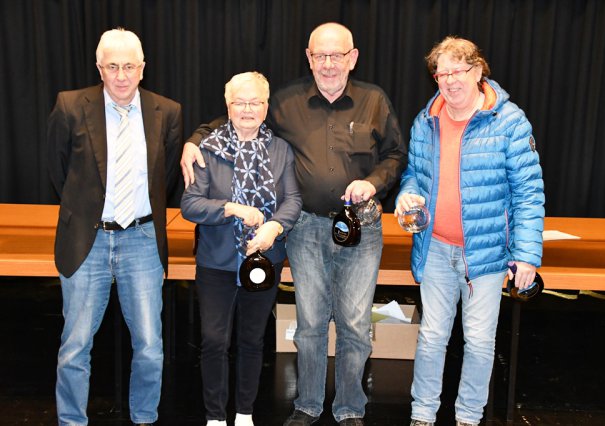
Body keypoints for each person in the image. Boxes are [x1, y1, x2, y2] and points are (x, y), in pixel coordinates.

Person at [181, 22, 407, 426]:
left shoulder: (375, 100)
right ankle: (307, 405)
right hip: (305, 228)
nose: (328, 64)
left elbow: (395, 155)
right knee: (310, 324)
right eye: (320, 55)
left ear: (353, 58)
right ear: (309, 58)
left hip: (361, 227)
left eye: (337, 55)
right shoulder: (285, 102)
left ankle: (350, 408)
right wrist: (194, 140)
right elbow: (239, 118)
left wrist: (373, 183)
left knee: (356, 324)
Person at [395, 36, 545, 426]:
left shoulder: (509, 122)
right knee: (431, 336)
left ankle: (468, 417)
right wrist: (408, 194)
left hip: (486, 255)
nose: (449, 81)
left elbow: (529, 192)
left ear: (477, 71)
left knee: (478, 341)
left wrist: (527, 255)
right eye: (441, 74)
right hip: (435, 248)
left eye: (457, 71)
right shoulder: (426, 120)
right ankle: (422, 414)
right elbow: (413, 175)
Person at [47, 28, 183, 426]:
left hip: (142, 239)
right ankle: (71, 421)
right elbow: (58, 171)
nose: (121, 76)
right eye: (112, 67)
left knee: (150, 345)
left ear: (142, 68)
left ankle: (144, 418)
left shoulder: (167, 112)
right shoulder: (71, 106)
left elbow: (164, 178)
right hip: (86, 239)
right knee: (75, 346)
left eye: (128, 66)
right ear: (99, 68)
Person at [180, 71, 302, 426]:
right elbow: (190, 205)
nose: (247, 109)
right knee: (214, 341)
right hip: (216, 262)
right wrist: (231, 208)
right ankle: (216, 417)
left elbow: (293, 200)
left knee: (252, 340)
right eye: (239, 102)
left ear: (266, 106)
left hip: (265, 259)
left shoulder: (281, 150)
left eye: (255, 102)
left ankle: (245, 413)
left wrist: (274, 227)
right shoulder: (207, 149)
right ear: (227, 105)